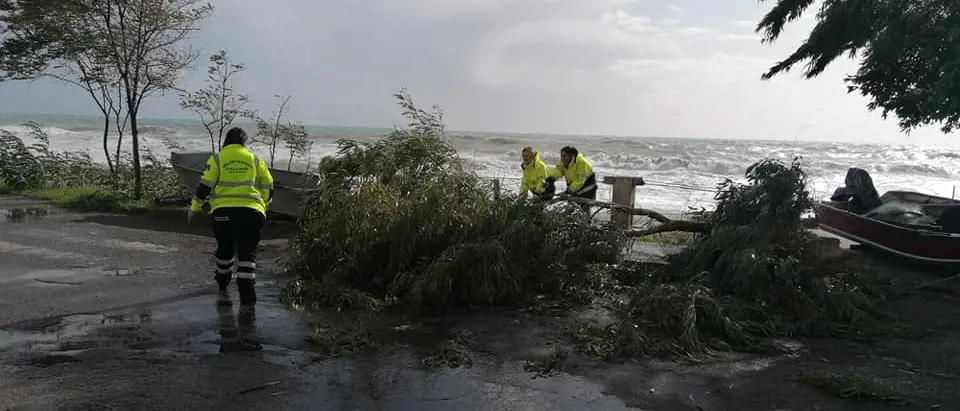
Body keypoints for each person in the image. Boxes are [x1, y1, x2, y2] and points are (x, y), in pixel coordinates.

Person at [187, 127, 275, 306]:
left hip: (223, 213)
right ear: (244, 141)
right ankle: (247, 291)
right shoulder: (255, 159)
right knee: (247, 253)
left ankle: (223, 280)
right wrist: (264, 204)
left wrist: (195, 207)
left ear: (227, 140)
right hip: (252, 212)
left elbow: (205, 185)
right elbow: (269, 184)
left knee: (225, 249)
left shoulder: (218, 159)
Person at [548, 146, 597, 212]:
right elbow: (558, 170)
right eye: (561, 156)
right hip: (574, 188)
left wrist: (567, 191)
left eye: (564, 156)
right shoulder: (563, 161)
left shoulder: (581, 163)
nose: (562, 158)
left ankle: (586, 221)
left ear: (571, 156)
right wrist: (551, 178)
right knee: (573, 208)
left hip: (587, 188)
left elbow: (579, 181)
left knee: (584, 208)